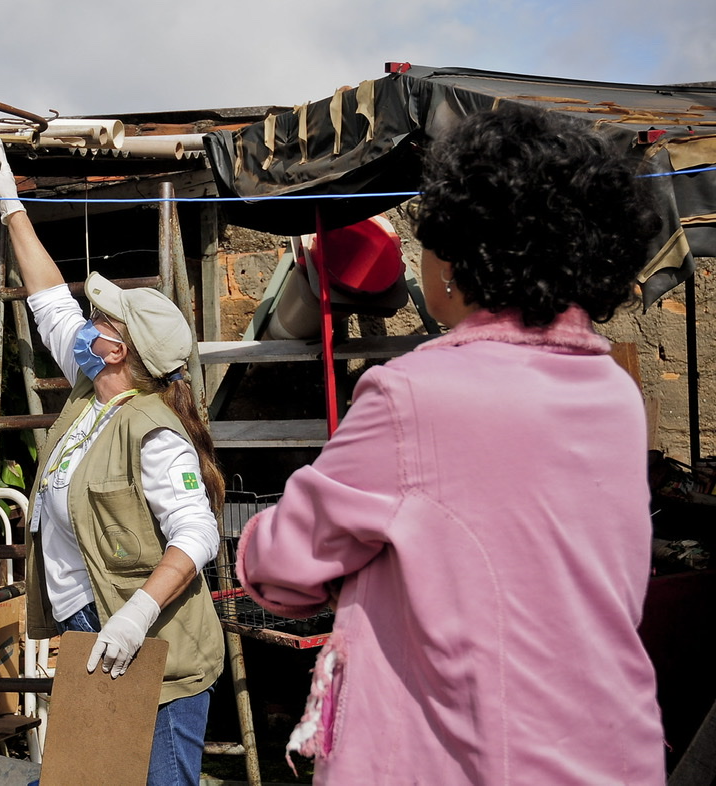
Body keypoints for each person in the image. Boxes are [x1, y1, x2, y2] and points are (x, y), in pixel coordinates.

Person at [237, 105, 667, 784]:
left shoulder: (415, 394)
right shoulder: (611, 393)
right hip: (611, 750)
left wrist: (260, 538)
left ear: (467, 253)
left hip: (466, 760)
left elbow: (287, 566)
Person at [0, 138, 225, 784]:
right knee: (83, 776)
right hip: (92, 630)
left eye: (103, 321)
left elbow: (198, 532)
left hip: (155, 652)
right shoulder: (92, 390)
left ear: (119, 351)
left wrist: (138, 613)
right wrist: (12, 208)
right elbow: (49, 301)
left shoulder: (153, 430)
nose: (88, 321)